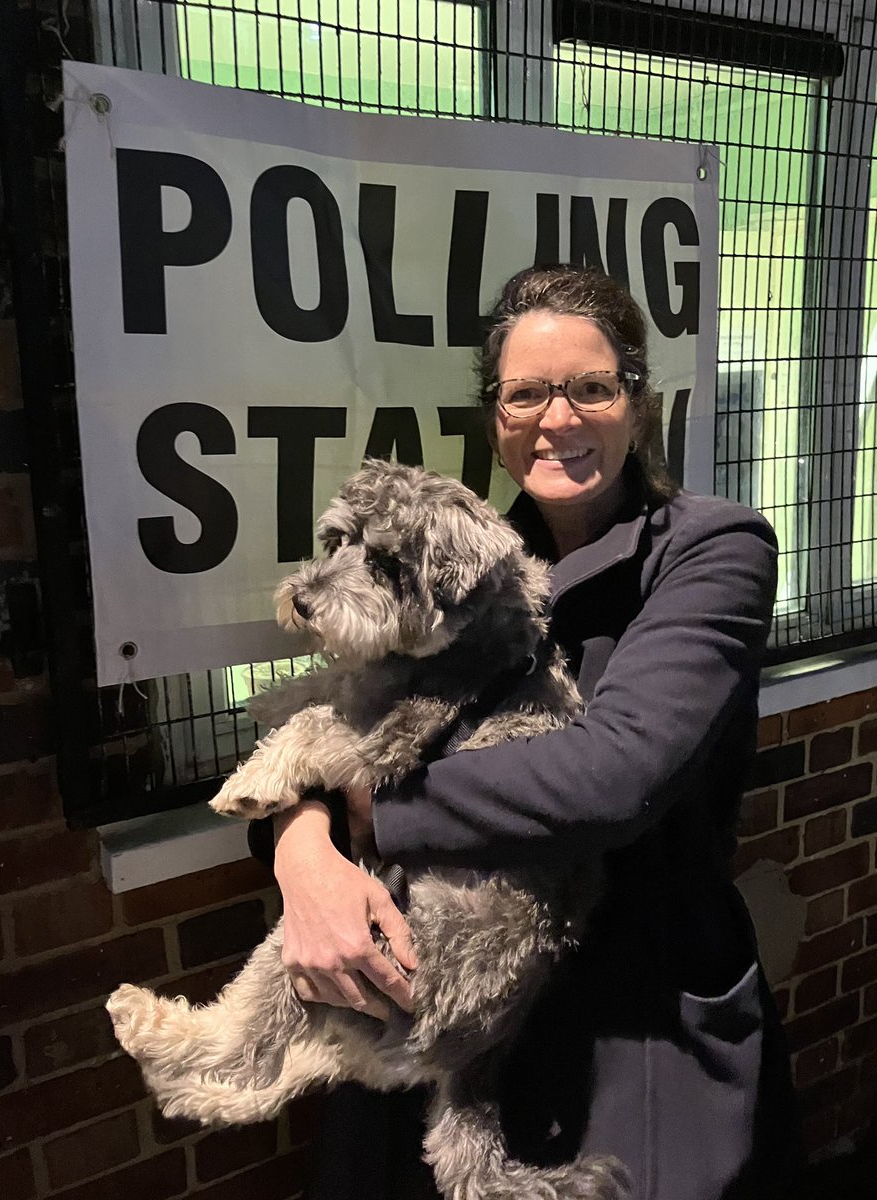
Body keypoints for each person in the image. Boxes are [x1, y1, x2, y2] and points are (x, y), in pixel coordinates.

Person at [250, 264, 800, 1200]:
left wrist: (373, 811)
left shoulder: (712, 550)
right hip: (446, 998)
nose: (560, 418)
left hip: (631, 1016)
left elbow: (614, 774)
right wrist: (303, 854)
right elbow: (325, 717)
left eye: (591, 387)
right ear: (495, 417)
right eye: (527, 393)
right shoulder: (462, 563)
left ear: (639, 403)